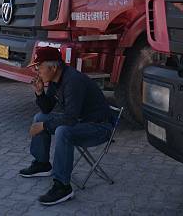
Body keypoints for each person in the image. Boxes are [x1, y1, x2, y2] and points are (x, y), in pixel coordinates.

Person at [20, 47, 113, 206]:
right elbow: (47, 109)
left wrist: (44, 126)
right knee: (39, 117)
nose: (37, 71)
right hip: (81, 121)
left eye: (39, 67)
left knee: (63, 131)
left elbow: (69, 120)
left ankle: (63, 186)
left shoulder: (73, 81)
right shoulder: (56, 80)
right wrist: (40, 93)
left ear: (53, 67)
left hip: (99, 127)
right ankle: (42, 164)